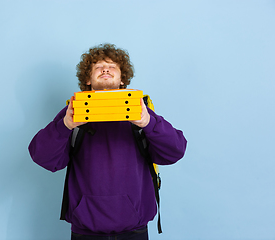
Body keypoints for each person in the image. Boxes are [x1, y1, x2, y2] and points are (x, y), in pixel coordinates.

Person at [28, 43, 187, 240]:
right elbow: (42, 157)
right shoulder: (73, 111)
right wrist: (65, 125)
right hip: (86, 229)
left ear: (122, 80)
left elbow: (175, 151)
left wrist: (148, 122)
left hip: (134, 228)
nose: (105, 69)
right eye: (98, 67)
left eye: (112, 66)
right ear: (88, 78)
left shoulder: (141, 110)